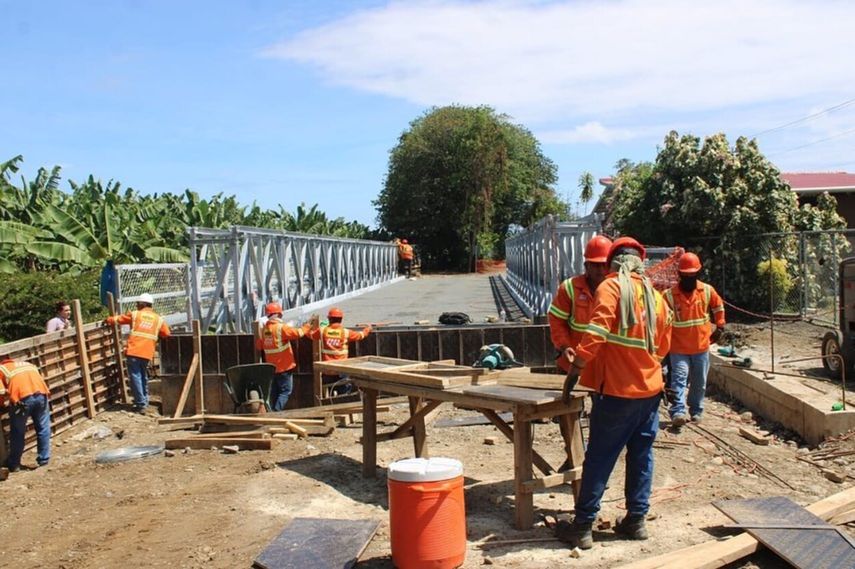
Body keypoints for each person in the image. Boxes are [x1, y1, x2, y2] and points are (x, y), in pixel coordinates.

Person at [555, 237, 672, 549]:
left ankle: (582, 527)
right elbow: (663, 345)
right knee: (642, 455)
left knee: (600, 457)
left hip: (618, 392)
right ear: (640, 262)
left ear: (612, 263)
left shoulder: (611, 287)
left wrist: (578, 366)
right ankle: (636, 521)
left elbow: (597, 330)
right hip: (650, 393)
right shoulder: (655, 296)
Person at [663, 252, 725, 428]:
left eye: (692, 275)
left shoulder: (706, 291)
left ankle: (696, 411)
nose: (689, 279)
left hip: (701, 348)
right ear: (680, 275)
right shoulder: (669, 296)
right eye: (686, 276)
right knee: (678, 379)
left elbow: (718, 305)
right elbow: (661, 320)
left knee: (699, 382)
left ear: (698, 273)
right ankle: (678, 411)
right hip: (678, 349)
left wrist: (720, 325)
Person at [548, 235, 613, 372]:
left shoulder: (618, 291)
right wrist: (564, 346)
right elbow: (557, 321)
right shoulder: (570, 288)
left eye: (604, 265)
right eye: (595, 265)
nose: (600, 270)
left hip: (606, 366)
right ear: (586, 266)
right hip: (574, 364)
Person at [104, 292, 170, 414]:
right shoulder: (158, 319)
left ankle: (140, 403)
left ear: (142, 303)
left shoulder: (135, 315)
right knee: (143, 376)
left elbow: (118, 319)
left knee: (135, 376)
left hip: (134, 350)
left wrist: (107, 320)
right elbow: (166, 333)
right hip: (147, 352)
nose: (136, 305)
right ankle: (144, 400)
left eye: (137, 303)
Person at [256, 302, 311, 411]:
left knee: (274, 391)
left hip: (271, 368)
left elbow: (259, 346)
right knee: (286, 391)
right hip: (284, 366)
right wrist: (307, 326)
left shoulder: (264, 329)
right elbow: (299, 333)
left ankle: (271, 411)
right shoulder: (281, 328)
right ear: (278, 314)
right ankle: (276, 412)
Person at [0, 358, 51, 472]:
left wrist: (2, 405)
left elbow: (1, 392)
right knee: (43, 427)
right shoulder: (28, 364)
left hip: (21, 399)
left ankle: (14, 464)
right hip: (41, 394)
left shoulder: (1, 369)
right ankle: (44, 459)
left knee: (18, 432)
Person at [307, 307, 371, 396]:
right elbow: (360, 335)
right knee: (344, 394)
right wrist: (368, 329)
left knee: (329, 393)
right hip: (341, 369)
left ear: (329, 319)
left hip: (328, 370)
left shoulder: (322, 331)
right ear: (341, 319)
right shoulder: (345, 332)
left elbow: (310, 335)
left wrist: (308, 324)